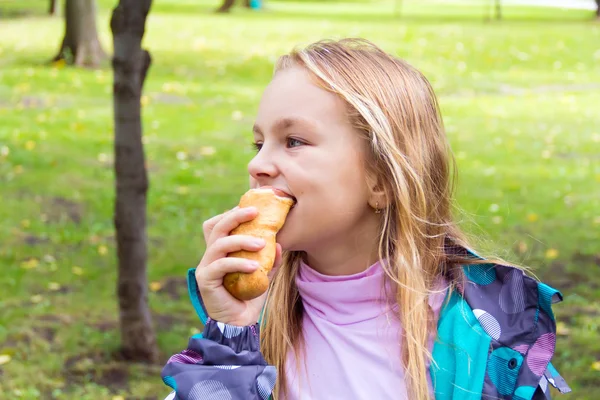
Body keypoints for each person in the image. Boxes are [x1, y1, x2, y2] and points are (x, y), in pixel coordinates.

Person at [160, 38, 571, 400]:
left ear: (381, 179)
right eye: (258, 142)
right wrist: (230, 332)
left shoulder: (485, 331)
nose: (258, 163)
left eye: (294, 141)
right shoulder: (253, 317)